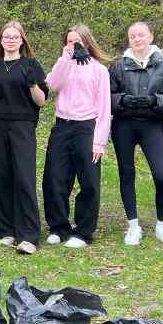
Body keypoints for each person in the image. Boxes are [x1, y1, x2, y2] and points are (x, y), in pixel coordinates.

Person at [109, 21, 163, 245]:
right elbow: (106, 97)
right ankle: (133, 226)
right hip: (124, 125)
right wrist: (123, 100)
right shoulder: (118, 65)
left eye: (141, 35)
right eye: (132, 36)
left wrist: (155, 100)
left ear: (150, 36)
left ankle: (162, 224)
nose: (137, 39)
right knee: (126, 173)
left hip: (152, 125)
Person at [0, 20, 48, 255]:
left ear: (22, 40)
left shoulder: (31, 65)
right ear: (1, 40)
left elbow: (41, 100)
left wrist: (32, 85)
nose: (10, 40)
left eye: (15, 36)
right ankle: (6, 229)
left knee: (24, 177)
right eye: (6, 36)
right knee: (0, 176)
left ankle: (28, 234)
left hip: (23, 125)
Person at [41, 25, 111, 249]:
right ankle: (58, 227)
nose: (73, 45)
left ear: (87, 43)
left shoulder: (99, 70)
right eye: (69, 41)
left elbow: (104, 107)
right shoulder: (64, 64)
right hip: (62, 125)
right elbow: (52, 85)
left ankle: (83, 232)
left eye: (77, 41)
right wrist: (65, 60)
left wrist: (99, 141)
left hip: (86, 127)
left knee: (89, 181)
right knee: (54, 177)